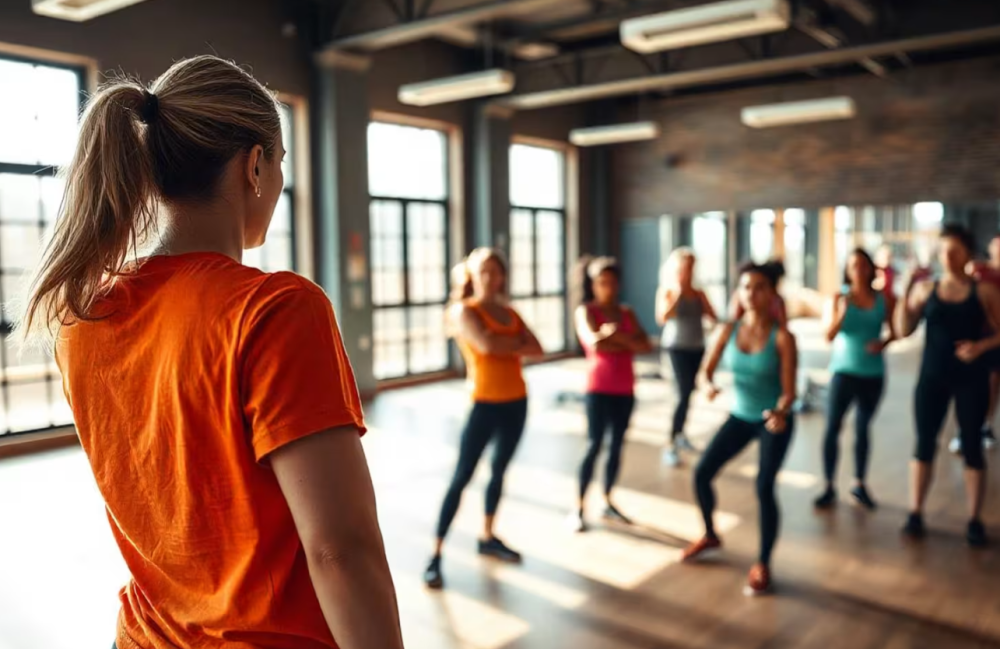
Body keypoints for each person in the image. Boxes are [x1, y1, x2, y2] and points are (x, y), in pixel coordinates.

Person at [16, 56, 403, 649]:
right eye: (279, 165)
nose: (277, 183)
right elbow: (339, 549)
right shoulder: (273, 309)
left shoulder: (83, 315)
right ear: (254, 165)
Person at [424, 247, 544, 589]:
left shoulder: (510, 313)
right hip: (484, 405)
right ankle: (435, 554)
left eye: (495, 271)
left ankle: (488, 536)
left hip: (516, 402)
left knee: (499, 471)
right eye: (483, 272)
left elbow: (538, 347)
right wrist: (511, 342)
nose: (489, 278)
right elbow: (489, 348)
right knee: (462, 477)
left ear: (503, 275)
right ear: (471, 276)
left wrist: (503, 340)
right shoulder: (464, 311)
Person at [681, 262, 797, 597]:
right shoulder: (728, 330)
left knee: (763, 487)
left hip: (772, 420)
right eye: (746, 287)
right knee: (702, 473)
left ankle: (762, 563)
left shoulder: (783, 337)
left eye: (759, 287)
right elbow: (705, 372)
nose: (751, 293)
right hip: (740, 416)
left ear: (771, 293)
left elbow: (789, 391)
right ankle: (709, 534)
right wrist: (707, 386)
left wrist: (781, 410)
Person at [895, 224, 1000, 547]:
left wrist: (979, 348)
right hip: (932, 378)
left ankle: (974, 519)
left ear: (968, 253)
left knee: (971, 445)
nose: (948, 257)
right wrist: (906, 289)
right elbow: (902, 330)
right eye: (943, 251)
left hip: (971, 378)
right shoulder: (927, 289)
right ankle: (915, 512)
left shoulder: (983, 291)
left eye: (954, 251)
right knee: (924, 443)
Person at [572, 256, 652, 531]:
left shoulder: (626, 312)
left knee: (616, 446)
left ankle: (607, 499)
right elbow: (595, 343)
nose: (607, 287)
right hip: (598, 388)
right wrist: (625, 342)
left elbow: (646, 346)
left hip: (625, 389)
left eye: (612, 282)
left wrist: (613, 335)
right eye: (601, 282)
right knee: (594, 445)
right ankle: (579, 507)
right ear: (593, 284)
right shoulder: (586, 311)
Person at [815, 249, 896, 511]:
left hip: (873, 374)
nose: (858, 269)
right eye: (853, 265)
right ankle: (828, 485)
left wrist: (883, 342)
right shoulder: (839, 297)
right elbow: (827, 336)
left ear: (871, 269)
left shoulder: (883, 299)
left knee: (862, 429)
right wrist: (841, 312)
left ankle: (859, 484)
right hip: (843, 372)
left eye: (863, 265)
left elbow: (896, 331)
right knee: (832, 427)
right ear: (847, 270)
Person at [656, 248, 718, 467]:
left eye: (692, 266)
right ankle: (671, 441)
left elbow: (713, 316)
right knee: (681, 393)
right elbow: (663, 317)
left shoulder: (699, 293)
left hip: (697, 346)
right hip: (676, 347)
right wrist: (680, 293)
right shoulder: (668, 291)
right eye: (686, 267)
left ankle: (681, 434)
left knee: (689, 393)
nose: (690, 271)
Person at [951, 233, 1000, 453]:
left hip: (995, 337)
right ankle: (964, 428)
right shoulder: (979, 270)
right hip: (974, 334)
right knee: (965, 382)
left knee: (992, 381)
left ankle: (985, 425)